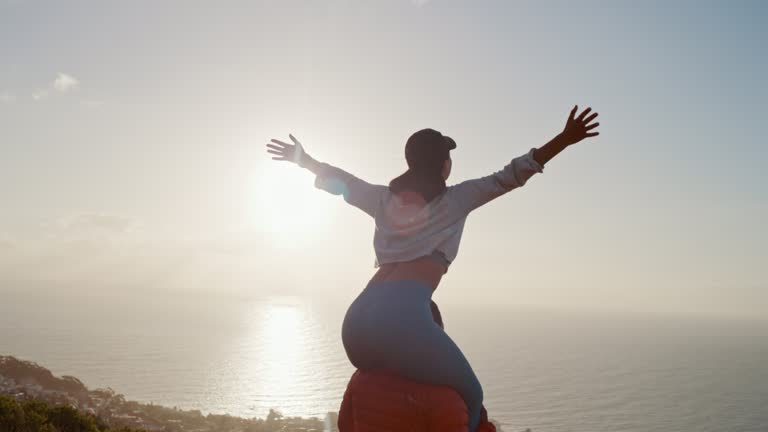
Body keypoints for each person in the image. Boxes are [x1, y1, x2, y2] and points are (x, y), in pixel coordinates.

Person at [266, 106, 600, 432]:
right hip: (403, 317)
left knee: (379, 393)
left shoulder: (383, 200)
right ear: (442, 163)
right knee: (472, 395)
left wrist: (303, 159)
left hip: (356, 322)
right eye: (448, 157)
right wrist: (564, 139)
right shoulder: (456, 199)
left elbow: (342, 181)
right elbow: (511, 175)